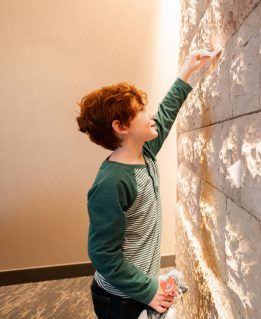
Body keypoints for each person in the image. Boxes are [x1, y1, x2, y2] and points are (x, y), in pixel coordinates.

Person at [76, 51, 210, 319]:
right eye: (140, 111)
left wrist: (186, 71)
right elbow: (103, 254)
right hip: (118, 298)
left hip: (137, 288)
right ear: (121, 127)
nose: (150, 115)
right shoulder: (112, 182)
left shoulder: (144, 153)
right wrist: (148, 289)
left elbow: (165, 115)